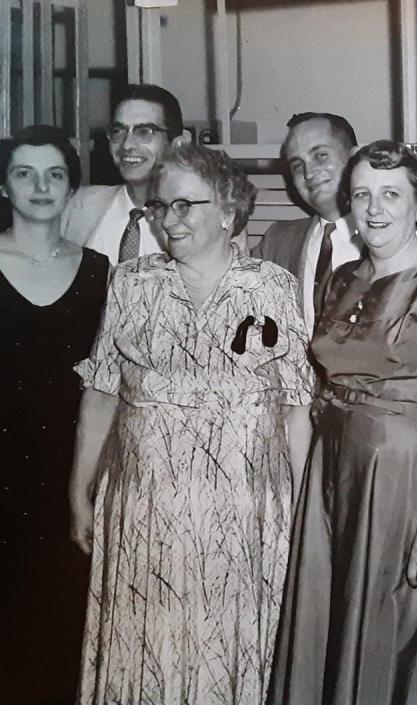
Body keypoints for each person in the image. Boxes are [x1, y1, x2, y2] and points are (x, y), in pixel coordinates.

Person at [69, 142, 315, 705]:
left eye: (184, 206)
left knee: (235, 650)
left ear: (228, 211)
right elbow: (102, 394)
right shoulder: (132, 283)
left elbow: (296, 406)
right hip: (145, 509)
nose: (168, 221)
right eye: (159, 207)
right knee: (146, 650)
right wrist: (79, 492)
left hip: (245, 511)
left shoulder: (270, 287)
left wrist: (305, 506)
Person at [269, 140, 417, 705]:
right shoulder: (341, 279)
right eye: (362, 194)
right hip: (334, 468)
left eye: (391, 194)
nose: (375, 209)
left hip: (405, 476)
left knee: (397, 633)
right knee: (337, 622)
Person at [0, 125, 109, 705]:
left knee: (62, 617)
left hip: (72, 470)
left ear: (72, 189)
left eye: (55, 174)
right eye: (24, 172)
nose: (40, 186)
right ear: (4, 185)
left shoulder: (100, 273)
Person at [252, 112, 417, 331]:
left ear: (353, 157)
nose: (309, 173)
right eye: (297, 165)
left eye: (320, 156)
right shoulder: (277, 242)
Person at [61, 83, 185, 264]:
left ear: (177, 145)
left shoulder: (200, 219)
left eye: (144, 132)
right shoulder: (76, 207)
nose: (127, 145)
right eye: (118, 131)